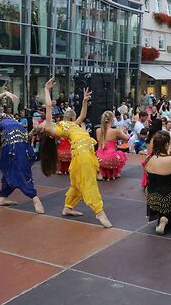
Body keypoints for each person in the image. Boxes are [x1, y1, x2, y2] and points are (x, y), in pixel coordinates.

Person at [38, 78, 112, 228]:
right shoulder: (52, 129)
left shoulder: (70, 125)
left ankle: (67, 207)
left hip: (87, 152)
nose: (42, 123)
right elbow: (48, 106)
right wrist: (46, 90)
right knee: (89, 182)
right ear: (47, 133)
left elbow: (82, 117)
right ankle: (99, 212)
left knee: (77, 184)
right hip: (81, 152)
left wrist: (84, 102)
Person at [0, 91, 45, 214]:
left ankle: (3, 197)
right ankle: (34, 197)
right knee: (20, 170)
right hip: (13, 146)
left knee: (10, 171)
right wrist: (4, 93)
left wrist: (34, 131)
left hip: (21, 144)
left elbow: (25, 136)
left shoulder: (7, 119)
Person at [95, 111, 128, 181]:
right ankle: (114, 173)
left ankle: (101, 172)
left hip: (99, 158)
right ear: (112, 120)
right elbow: (127, 138)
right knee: (121, 154)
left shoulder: (98, 130)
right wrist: (122, 131)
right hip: (111, 158)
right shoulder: (115, 131)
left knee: (100, 155)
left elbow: (99, 147)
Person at [56, 109, 78, 175]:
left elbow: (57, 136)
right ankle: (68, 169)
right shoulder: (74, 125)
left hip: (61, 149)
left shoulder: (60, 124)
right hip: (70, 149)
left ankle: (60, 169)